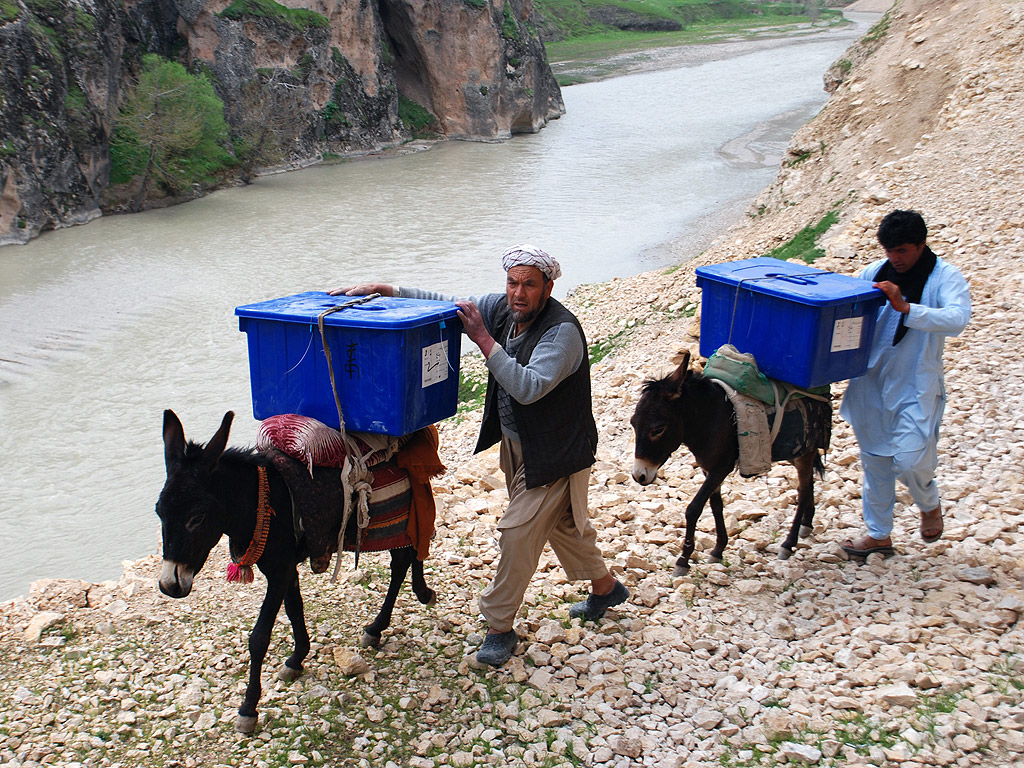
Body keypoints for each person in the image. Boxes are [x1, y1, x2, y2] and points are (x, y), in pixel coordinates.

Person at [332, 244, 628, 667]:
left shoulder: (560, 332)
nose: (518, 293)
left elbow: (527, 387)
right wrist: (389, 289)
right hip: (518, 445)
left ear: (548, 287)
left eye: (529, 284)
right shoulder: (502, 309)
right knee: (564, 523)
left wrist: (483, 340)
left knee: (517, 532)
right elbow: (454, 305)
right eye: (512, 283)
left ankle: (499, 627)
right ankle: (605, 588)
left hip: (558, 453)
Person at [839, 210, 971, 557]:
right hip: (870, 382)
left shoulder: (944, 277)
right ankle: (879, 535)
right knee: (876, 461)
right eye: (889, 251)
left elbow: (958, 319)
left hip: (915, 384)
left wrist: (907, 308)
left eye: (902, 251)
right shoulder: (873, 273)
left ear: (921, 245)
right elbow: (845, 307)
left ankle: (928, 501)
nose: (895, 259)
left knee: (911, 460)